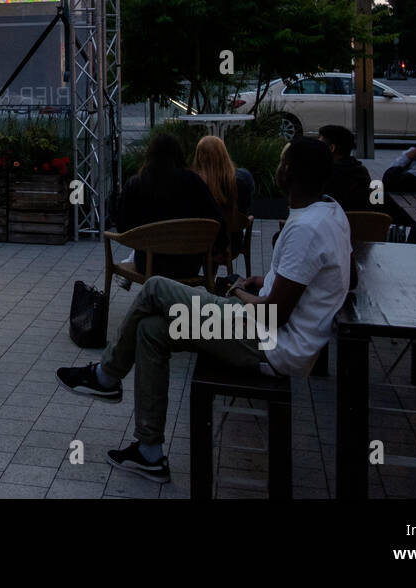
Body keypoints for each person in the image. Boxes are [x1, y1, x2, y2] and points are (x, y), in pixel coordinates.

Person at [58, 138, 351, 480]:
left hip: (268, 343)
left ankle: (106, 375)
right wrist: (266, 280)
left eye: (282, 162)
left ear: (287, 172)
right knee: (150, 330)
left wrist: (238, 291)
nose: (278, 167)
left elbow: (274, 314)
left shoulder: (306, 229)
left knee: (154, 286)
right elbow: (340, 275)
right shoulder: (330, 210)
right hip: (262, 332)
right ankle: (148, 451)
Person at [110, 131, 226, 283]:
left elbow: (123, 227)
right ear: (179, 155)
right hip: (188, 264)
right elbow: (217, 220)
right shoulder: (193, 182)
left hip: (148, 265)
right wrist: (220, 246)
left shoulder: (136, 185)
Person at [191, 135, 253, 263]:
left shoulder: (194, 183)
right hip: (232, 244)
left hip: (201, 246)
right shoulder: (241, 179)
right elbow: (247, 204)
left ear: (199, 157)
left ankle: (209, 278)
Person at [319, 124, 373, 211]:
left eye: (320, 145)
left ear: (331, 148)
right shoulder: (362, 171)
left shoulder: (324, 175)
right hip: (362, 222)